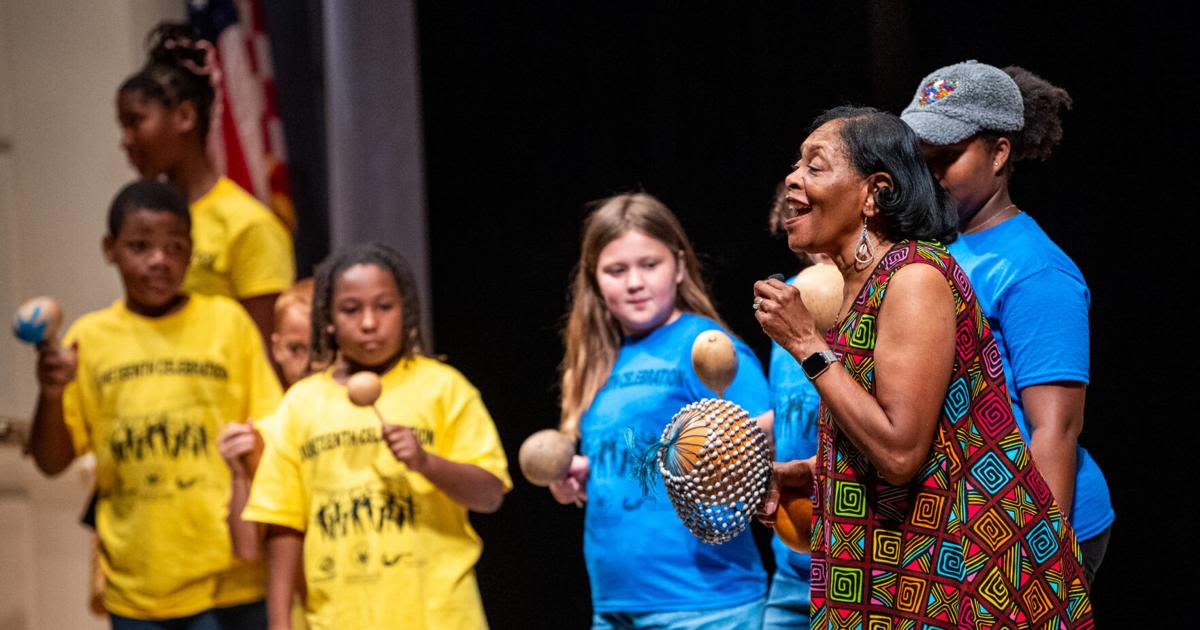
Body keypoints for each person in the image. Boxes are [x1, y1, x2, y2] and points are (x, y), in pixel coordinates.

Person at [752, 107, 1093, 627]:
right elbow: (918, 442)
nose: (793, 178)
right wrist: (808, 474)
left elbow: (900, 451)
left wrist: (805, 343)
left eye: (815, 166)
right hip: (904, 566)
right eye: (796, 164)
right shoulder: (862, 286)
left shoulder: (915, 277)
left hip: (963, 577)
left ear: (874, 192)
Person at [28, 180, 282, 628]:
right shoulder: (89, 340)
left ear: (190, 251)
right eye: (140, 246)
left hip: (231, 579)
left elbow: (274, 431)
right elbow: (51, 462)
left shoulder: (228, 323)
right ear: (110, 249)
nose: (158, 260)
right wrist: (50, 395)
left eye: (174, 247)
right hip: (138, 587)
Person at [900, 60, 1113, 584]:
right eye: (919, 156)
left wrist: (1038, 563)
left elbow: (1055, 429)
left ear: (999, 153)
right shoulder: (934, 246)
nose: (928, 173)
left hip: (1029, 522)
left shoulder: (1036, 271)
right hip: (961, 515)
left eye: (945, 156)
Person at [241, 243, 510, 629]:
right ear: (328, 319)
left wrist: (426, 462)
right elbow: (285, 523)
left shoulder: (443, 387)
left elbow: (489, 494)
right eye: (351, 309)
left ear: (406, 310)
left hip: (439, 615)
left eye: (384, 306)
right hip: (338, 617)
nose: (369, 323)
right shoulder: (301, 403)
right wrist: (280, 621)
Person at [551, 193, 772, 629]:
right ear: (595, 281)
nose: (635, 282)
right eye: (616, 270)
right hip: (616, 602)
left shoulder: (705, 346)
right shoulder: (597, 362)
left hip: (706, 603)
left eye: (649, 265)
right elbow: (631, 454)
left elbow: (766, 435)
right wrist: (583, 472)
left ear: (680, 266)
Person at [117, 22, 294, 347]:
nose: (125, 141)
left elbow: (265, 353)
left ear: (185, 117)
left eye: (135, 122)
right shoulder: (143, 219)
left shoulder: (248, 224)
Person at [761, 184, 825, 630]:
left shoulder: (892, 302)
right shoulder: (786, 304)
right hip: (791, 566)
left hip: (867, 563)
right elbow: (787, 413)